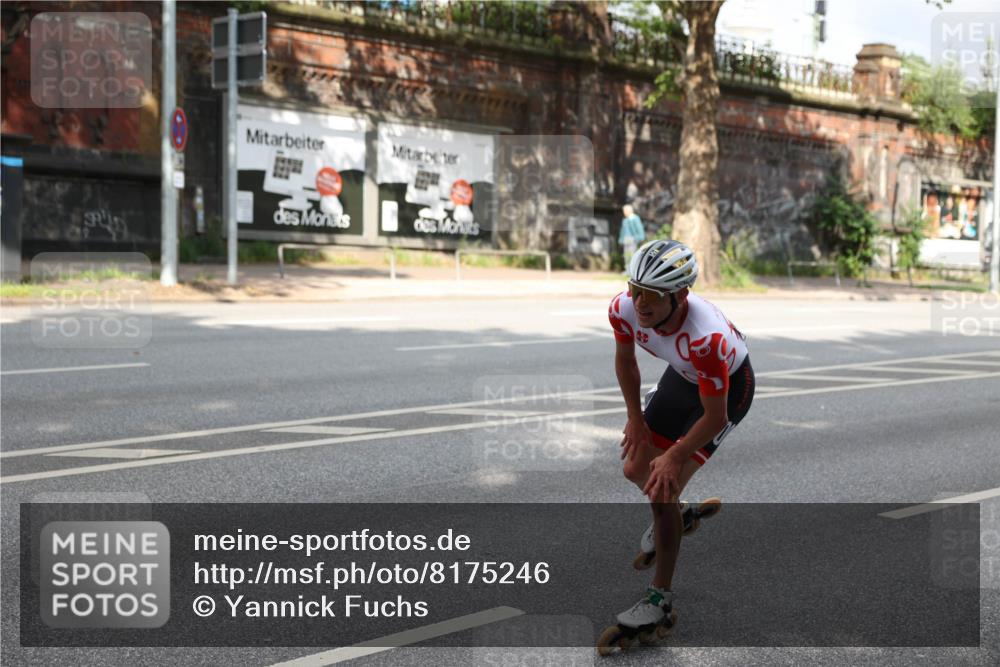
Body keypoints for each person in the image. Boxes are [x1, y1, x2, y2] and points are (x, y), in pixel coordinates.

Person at [607, 239, 755, 630]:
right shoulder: (622, 307)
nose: (640, 303)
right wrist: (635, 417)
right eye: (635, 290)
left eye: (652, 296)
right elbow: (625, 361)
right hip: (685, 375)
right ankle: (679, 517)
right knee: (634, 467)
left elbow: (714, 416)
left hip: (726, 391)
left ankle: (660, 599)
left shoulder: (705, 339)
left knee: (661, 487)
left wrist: (674, 456)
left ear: (681, 295)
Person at [619, 205, 645, 270]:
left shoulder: (635, 218)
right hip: (626, 239)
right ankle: (627, 269)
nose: (624, 213)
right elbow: (622, 231)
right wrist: (621, 239)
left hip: (632, 239)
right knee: (626, 255)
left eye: (624, 211)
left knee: (631, 254)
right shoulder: (625, 220)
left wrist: (640, 237)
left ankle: (632, 270)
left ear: (629, 211)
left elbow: (639, 229)